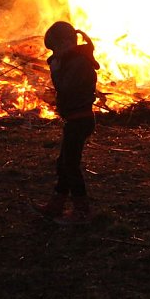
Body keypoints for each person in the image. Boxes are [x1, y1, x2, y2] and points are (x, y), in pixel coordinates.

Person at [33, 20, 100, 225]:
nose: (55, 53)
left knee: (70, 165)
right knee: (64, 163)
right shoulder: (75, 60)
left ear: (67, 42)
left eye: (56, 49)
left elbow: (66, 87)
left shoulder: (79, 62)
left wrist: (55, 71)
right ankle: (57, 203)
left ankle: (81, 210)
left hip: (80, 120)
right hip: (75, 119)